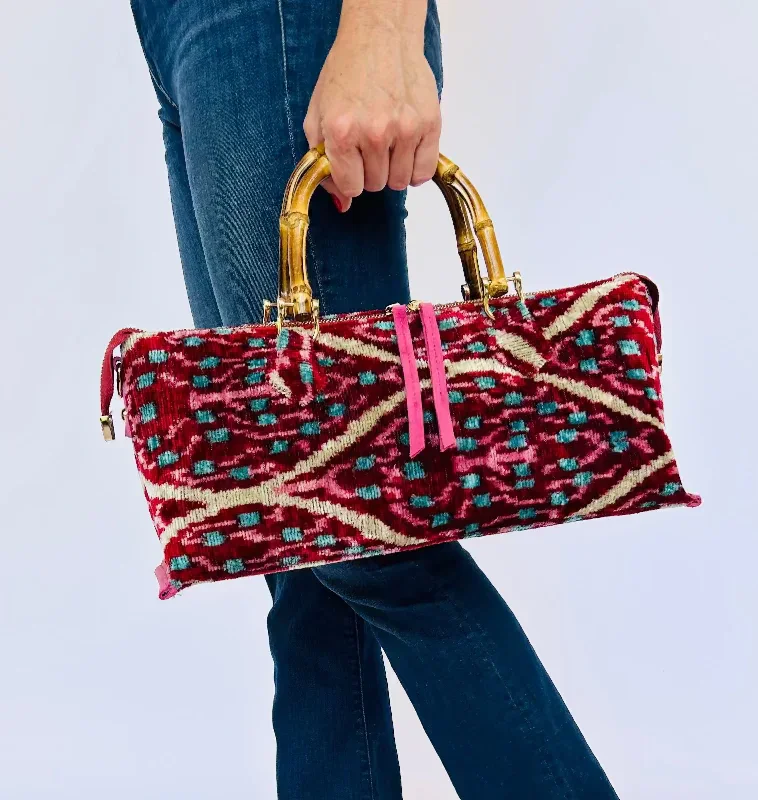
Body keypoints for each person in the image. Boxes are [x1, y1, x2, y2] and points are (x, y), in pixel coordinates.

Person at [129, 1, 619, 797]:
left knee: (372, 543)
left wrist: (381, 30)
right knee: (298, 547)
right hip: (184, 30)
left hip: (276, 22)